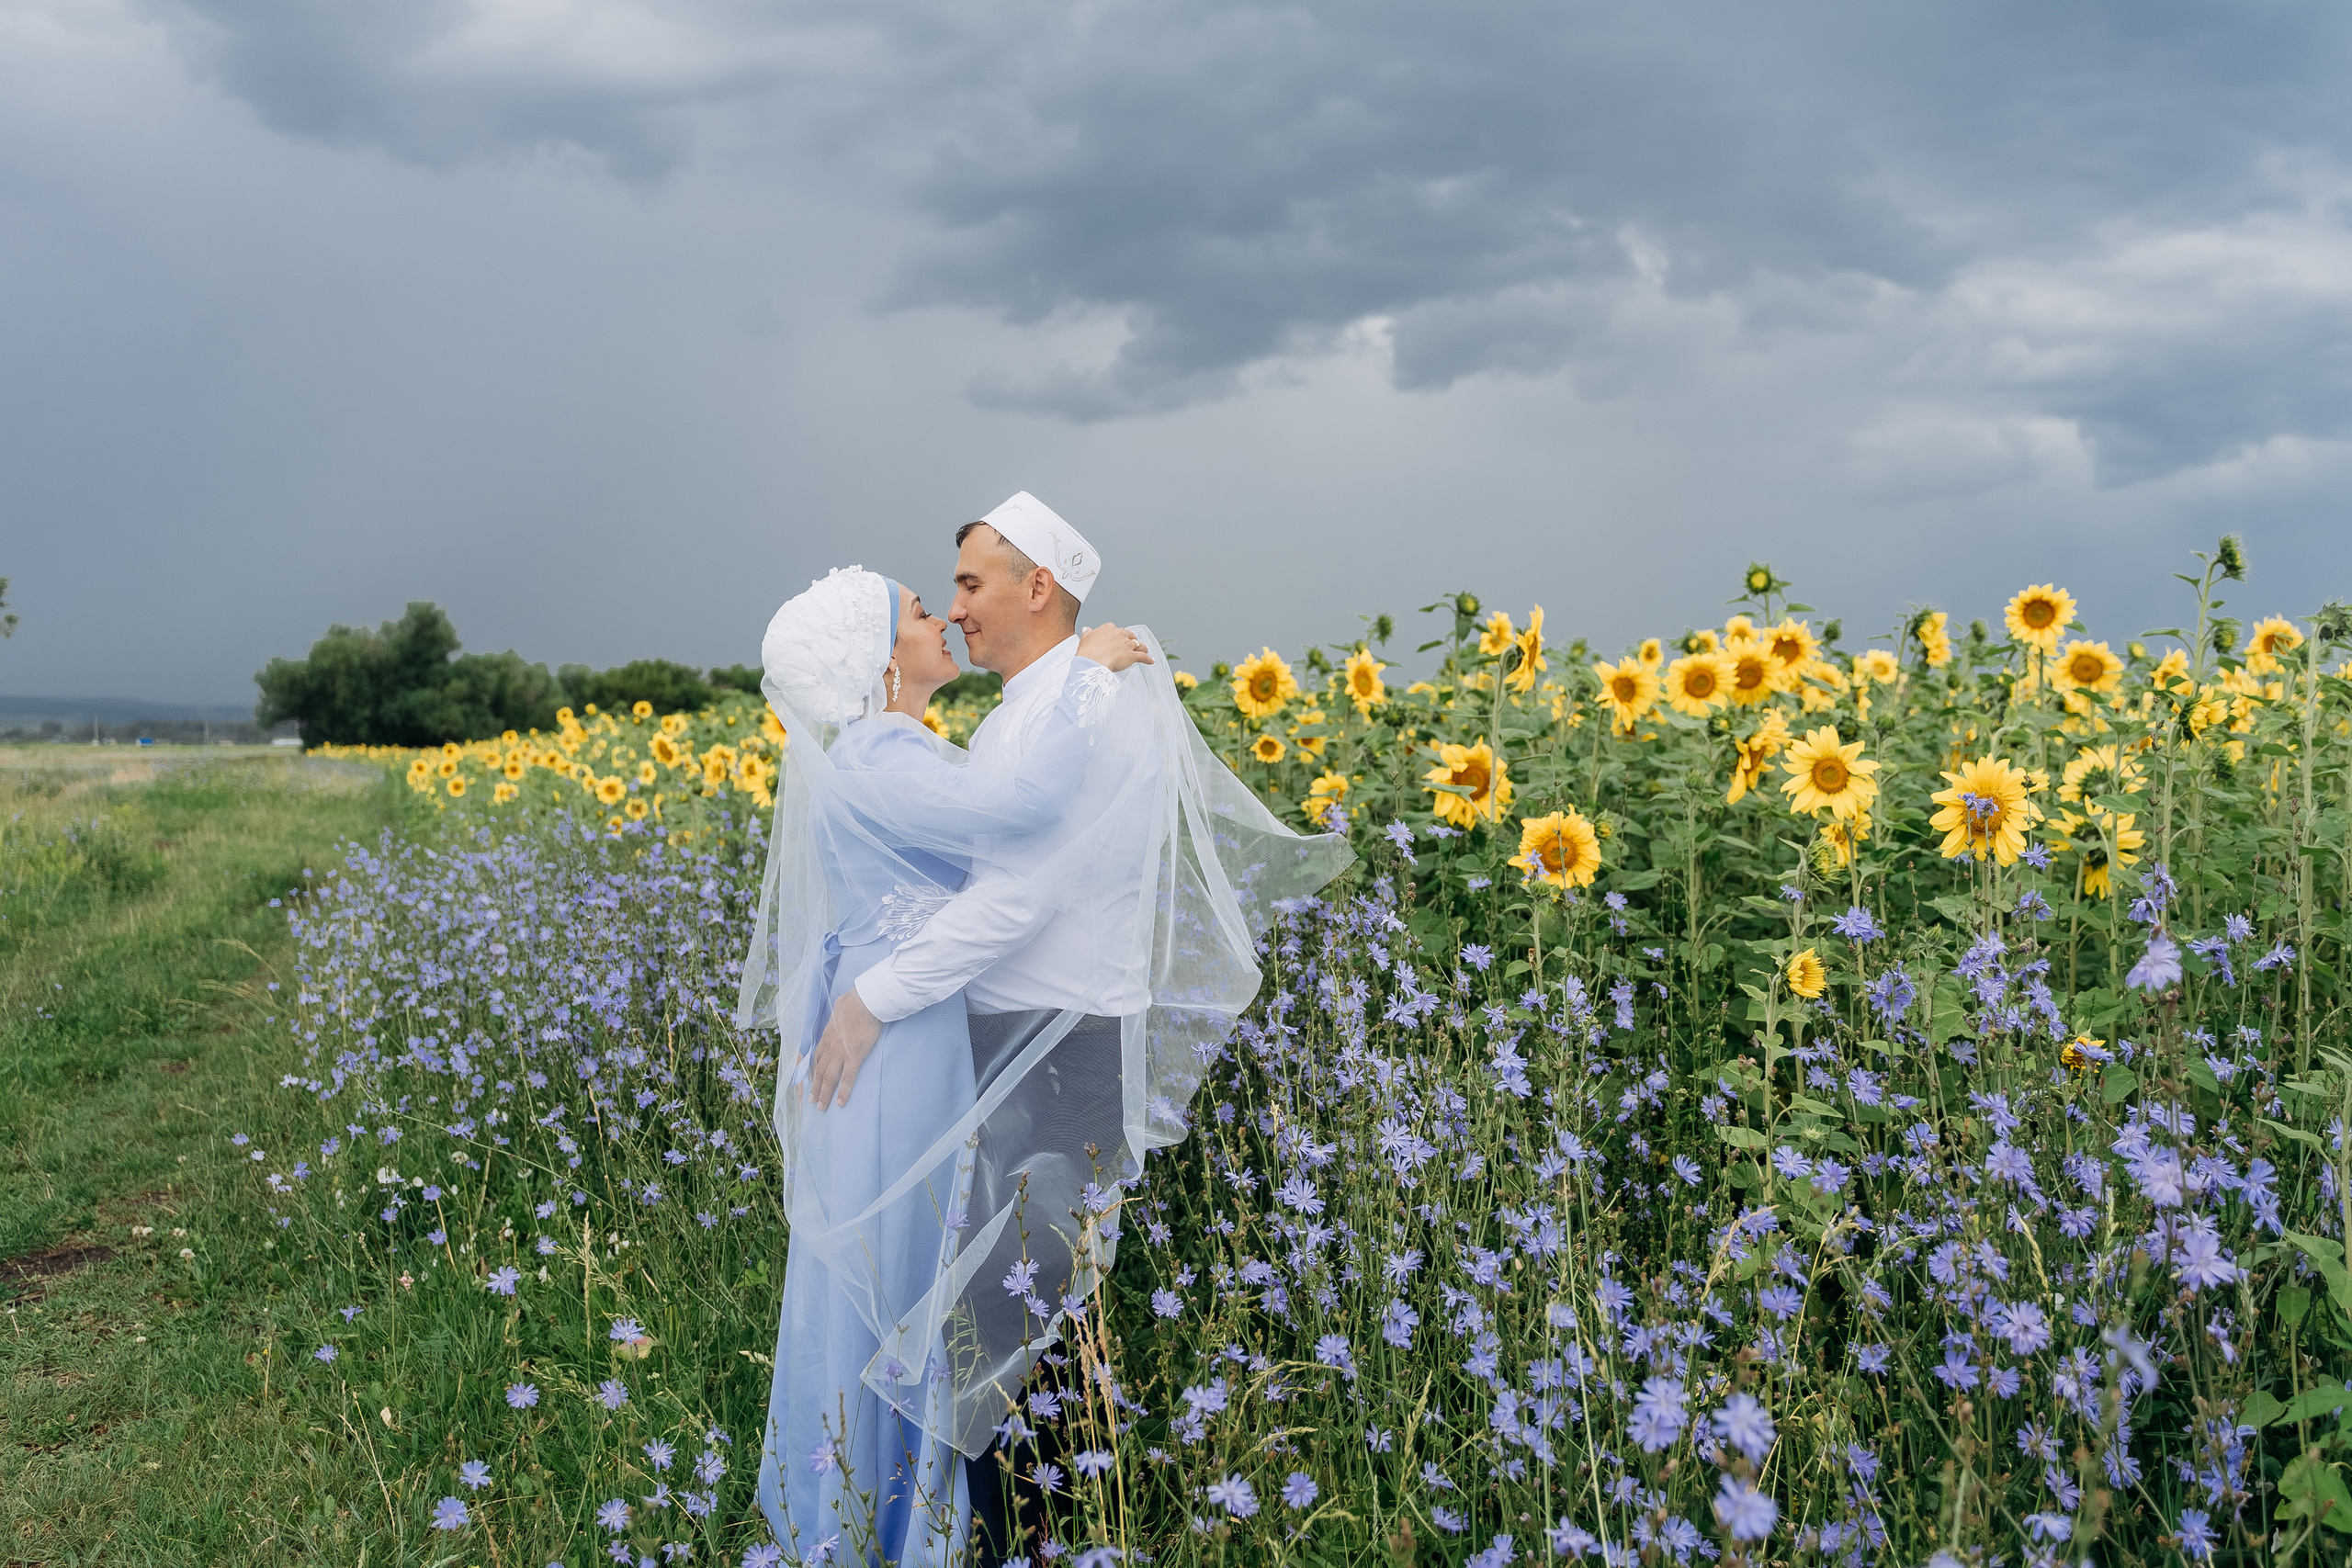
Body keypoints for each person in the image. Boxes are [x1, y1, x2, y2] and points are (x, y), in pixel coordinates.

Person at [806, 493, 1353, 1561]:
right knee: (1026, 1323)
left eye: (969, 583)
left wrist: (874, 997)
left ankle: (1040, 1545)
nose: (956, 607)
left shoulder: (1092, 703)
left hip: (1056, 1043)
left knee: (1014, 1336)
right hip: (1027, 1036)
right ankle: (1033, 1536)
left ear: (1036, 586)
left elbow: (1019, 900)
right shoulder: (1041, 704)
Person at [740, 563, 1154, 1565]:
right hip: (901, 1042)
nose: (942, 617)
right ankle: (890, 1525)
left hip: (900, 1030)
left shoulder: (882, 755)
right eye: (920, 612)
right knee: (907, 1276)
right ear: (885, 661)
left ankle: (861, 1510)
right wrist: (1087, 674)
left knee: (896, 1274)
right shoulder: (888, 759)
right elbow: (1020, 814)